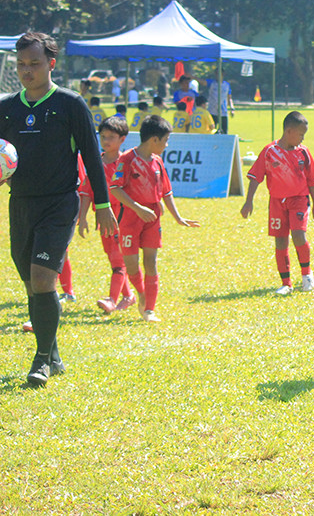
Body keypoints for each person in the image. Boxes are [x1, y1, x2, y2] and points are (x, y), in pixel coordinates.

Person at [1, 31, 118, 387]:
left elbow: (91, 158)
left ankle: (41, 362)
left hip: (59, 202)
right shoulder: (6, 107)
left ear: (51, 64)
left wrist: (102, 204)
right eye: (21, 64)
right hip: (20, 203)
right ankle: (52, 353)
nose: (27, 70)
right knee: (30, 284)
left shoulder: (70, 104)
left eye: (34, 63)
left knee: (42, 278)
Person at [110, 115, 200, 322]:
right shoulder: (127, 159)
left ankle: (149, 309)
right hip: (131, 218)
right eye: (166, 140)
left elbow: (166, 192)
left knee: (151, 262)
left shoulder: (158, 161)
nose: (167, 145)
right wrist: (137, 207)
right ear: (154, 140)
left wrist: (178, 217)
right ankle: (141, 294)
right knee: (131, 265)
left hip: (152, 218)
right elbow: (115, 188)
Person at [241, 111, 314, 294]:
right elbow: (255, 177)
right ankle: (286, 283)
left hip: (299, 200)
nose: (302, 138)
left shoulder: (303, 152)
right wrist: (248, 201)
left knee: (299, 235)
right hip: (277, 203)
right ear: (289, 131)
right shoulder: (270, 151)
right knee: (280, 240)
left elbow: (312, 180)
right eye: (301, 134)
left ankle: (306, 274)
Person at [78, 116, 135, 313]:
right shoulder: (96, 164)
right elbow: (86, 192)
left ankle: (112, 299)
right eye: (103, 136)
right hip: (104, 220)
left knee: (119, 261)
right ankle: (128, 296)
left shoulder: (126, 163)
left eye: (111, 136)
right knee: (113, 259)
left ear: (122, 139)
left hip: (124, 219)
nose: (106, 141)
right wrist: (82, 216)